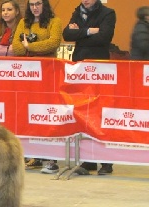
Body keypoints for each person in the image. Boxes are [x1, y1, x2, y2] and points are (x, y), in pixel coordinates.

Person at [63, 0, 116, 175]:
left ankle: (106, 162)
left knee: (100, 113)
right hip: (79, 67)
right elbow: (67, 34)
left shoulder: (108, 13)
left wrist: (79, 32)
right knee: (83, 113)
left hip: (99, 68)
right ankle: (89, 160)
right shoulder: (77, 11)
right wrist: (89, 31)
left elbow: (104, 37)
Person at [12, 0, 62, 174]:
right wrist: (29, 48)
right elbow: (17, 48)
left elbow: (54, 42)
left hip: (48, 75)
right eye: (32, 4)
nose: (35, 7)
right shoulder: (23, 22)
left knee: (46, 114)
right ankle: (34, 154)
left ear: (44, 5)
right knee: (27, 114)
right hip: (27, 75)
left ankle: (51, 158)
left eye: (38, 4)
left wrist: (30, 46)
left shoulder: (54, 21)